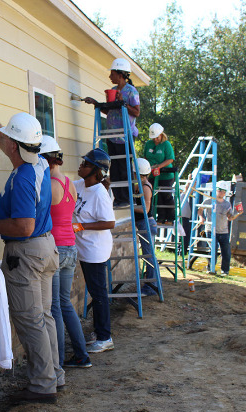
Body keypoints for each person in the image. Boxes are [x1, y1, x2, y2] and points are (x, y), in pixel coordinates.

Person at [0, 107, 63, 404]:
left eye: (8, 142)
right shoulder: (38, 162)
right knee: (44, 317)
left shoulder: (24, 177)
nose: (4, 144)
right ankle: (54, 374)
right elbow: (0, 132)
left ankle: (43, 385)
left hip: (26, 254)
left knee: (30, 320)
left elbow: (23, 226)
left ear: (14, 146)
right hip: (46, 249)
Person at [40, 136, 91, 369]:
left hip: (56, 248)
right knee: (65, 303)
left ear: (46, 159)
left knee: (54, 309)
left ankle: (57, 363)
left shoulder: (49, 185)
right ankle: (82, 354)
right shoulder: (69, 182)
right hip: (70, 247)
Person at [72, 149, 116, 353]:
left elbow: (109, 222)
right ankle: (99, 333)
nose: (81, 166)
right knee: (95, 291)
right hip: (84, 248)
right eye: (83, 162)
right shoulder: (80, 185)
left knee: (98, 294)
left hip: (95, 250)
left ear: (96, 171)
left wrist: (82, 226)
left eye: (86, 164)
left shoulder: (99, 193)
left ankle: (105, 338)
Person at [83, 58, 141, 207]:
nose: (110, 77)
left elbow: (136, 112)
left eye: (112, 73)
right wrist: (96, 103)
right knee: (114, 167)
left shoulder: (131, 91)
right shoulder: (113, 90)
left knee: (124, 167)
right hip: (112, 135)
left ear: (120, 75)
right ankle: (118, 199)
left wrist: (124, 103)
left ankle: (126, 199)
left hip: (124, 135)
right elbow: (109, 111)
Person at [198, 181, 243, 276]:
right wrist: (201, 217)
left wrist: (238, 213)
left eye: (224, 191)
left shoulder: (227, 204)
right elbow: (200, 209)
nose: (222, 193)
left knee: (226, 251)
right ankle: (210, 268)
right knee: (213, 250)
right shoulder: (209, 200)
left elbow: (230, 217)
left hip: (223, 231)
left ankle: (225, 271)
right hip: (211, 230)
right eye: (220, 190)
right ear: (216, 190)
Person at [133, 158, 159, 297]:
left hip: (147, 223)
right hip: (143, 223)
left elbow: (145, 208)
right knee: (148, 255)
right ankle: (152, 284)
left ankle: (152, 286)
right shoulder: (139, 185)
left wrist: (130, 207)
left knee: (149, 256)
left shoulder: (145, 187)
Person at [143, 123, 175, 224]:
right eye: (154, 138)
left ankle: (170, 218)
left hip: (165, 175)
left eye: (157, 137)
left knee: (166, 195)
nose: (155, 139)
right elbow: (145, 157)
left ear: (161, 134)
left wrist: (159, 166)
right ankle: (160, 217)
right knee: (156, 196)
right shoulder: (148, 144)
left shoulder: (166, 144)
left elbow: (170, 159)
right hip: (152, 174)